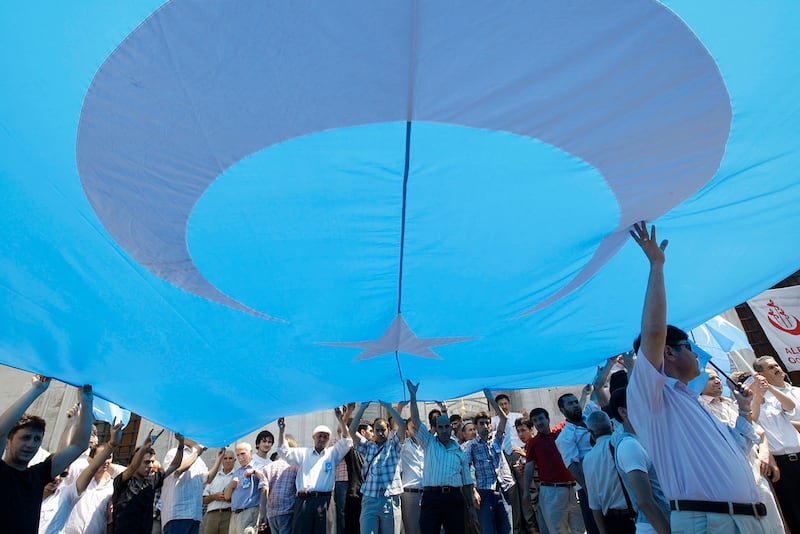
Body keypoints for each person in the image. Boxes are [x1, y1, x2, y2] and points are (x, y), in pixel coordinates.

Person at [627, 221, 768, 533]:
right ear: (668, 352)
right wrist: (656, 266)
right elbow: (653, 331)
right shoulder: (652, 397)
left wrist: (745, 410)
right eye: (689, 347)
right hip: (708, 521)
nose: (697, 356)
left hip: (747, 520)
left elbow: (740, 446)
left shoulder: (691, 399)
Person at [0, 375, 94, 533]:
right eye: (25, 438)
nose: (32, 444)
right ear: (8, 442)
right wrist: (36, 391)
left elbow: (79, 445)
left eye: (37, 439)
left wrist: (87, 403)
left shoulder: (38, 475)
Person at [407, 380, 476, 534]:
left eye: (446, 426)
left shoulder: (459, 452)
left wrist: (471, 506)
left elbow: (467, 482)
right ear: (436, 428)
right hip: (431, 497)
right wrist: (413, 397)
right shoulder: (429, 443)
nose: (444, 430)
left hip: (454, 498)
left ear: (451, 427)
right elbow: (416, 421)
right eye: (440, 427)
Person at [606, 387, 672, 534]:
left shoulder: (645, 442)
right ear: (624, 412)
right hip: (654, 527)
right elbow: (645, 502)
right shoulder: (630, 446)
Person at [277, 406, 353, 534]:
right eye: (319, 436)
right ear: (313, 437)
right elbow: (283, 451)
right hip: (304, 502)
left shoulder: (332, 454)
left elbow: (348, 442)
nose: (322, 439)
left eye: (325, 437)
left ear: (329, 440)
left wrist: (341, 420)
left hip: (324, 502)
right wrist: (281, 430)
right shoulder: (303, 453)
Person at [40, 421, 123, 534]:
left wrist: (112, 444)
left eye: (109, 457)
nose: (57, 478)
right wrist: (70, 423)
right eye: (102, 457)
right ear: (90, 460)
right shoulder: (78, 472)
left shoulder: (111, 486)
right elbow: (62, 457)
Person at [751, 355, 800, 533]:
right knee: (793, 510)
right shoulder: (759, 402)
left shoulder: (784, 395)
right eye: (771, 368)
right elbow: (753, 423)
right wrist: (759, 393)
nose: (777, 369)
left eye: (776, 365)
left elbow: (790, 404)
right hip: (782, 463)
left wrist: (770, 387)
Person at [349, 401, 406, 534]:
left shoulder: (394, 446)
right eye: (377, 430)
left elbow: (402, 426)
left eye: (383, 430)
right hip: (370, 499)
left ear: (388, 430)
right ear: (373, 432)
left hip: (390, 500)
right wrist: (363, 407)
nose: (380, 433)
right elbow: (351, 430)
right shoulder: (368, 447)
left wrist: (388, 407)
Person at [524, 407, 583, 534]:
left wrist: (585, 395)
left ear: (548, 419)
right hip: (551, 491)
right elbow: (529, 467)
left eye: (541, 419)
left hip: (573, 489)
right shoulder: (533, 443)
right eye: (535, 420)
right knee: (557, 530)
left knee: (580, 529)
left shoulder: (560, 433)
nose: (539, 423)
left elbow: (573, 415)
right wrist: (526, 491)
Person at [113, 430, 184, 534]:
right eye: (146, 462)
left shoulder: (152, 481)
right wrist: (143, 448)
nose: (150, 465)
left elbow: (175, 465)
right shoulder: (123, 480)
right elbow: (133, 466)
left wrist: (181, 445)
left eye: (152, 462)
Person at [462, 390, 513, 534]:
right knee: (488, 529)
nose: (485, 426)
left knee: (507, 528)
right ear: (476, 426)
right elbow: (467, 469)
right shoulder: (472, 445)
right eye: (481, 423)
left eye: (487, 423)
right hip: (484, 492)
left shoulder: (497, 439)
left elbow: (504, 420)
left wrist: (491, 399)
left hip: (503, 489)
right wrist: (473, 491)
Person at [554, 390, 599, 534]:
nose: (575, 405)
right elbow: (572, 466)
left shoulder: (590, 418)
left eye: (575, 402)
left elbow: (596, 392)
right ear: (562, 410)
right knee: (597, 528)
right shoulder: (565, 437)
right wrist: (588, 489)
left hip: (608, 481)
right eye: (570, 404)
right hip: (590, 488)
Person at [582, 411, 635, 534]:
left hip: (614, 521)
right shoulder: (623, 443)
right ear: (611, 426)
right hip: (638, 515)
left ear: (590, 432)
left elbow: (595, 503)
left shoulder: (588, 460)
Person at [161, 437, 209, 534]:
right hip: (178, 514)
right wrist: (197, 453)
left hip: (194, 515)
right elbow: (177, 470)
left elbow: (208, 478)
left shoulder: (199, 460)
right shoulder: (173, 452)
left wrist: (219, 458)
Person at [258, 436, 300, 534]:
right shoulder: (295, 467)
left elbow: (264, 490)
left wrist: (263, 514)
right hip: (288, 511)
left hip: (272, 513)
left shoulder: (268, 467)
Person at [225, 443, 261, 534]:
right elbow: (226, 496)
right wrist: (231, 486)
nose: (240, 457)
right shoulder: (237, 472)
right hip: (234, 514)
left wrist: (254, 471)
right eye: (238, 455)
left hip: (249, 511)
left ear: (251, 452)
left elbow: (267, 480)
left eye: (243, 453)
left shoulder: (258, 466)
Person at [399, 418, 424, 534]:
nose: (416, 430)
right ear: (407, 430)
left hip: (428, 492)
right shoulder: (404, 445)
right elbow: (396, 434)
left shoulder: (427, 445)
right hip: (410, 494)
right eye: (412, 428)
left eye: (417, 427)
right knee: (413, 529)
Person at [202, 449, 236, 534]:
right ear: (221, 460)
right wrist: (214, 497)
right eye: (225, 458)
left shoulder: (237, 476)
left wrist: (228, 497)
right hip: (212, 515)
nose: (228, 461)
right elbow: (203, 500)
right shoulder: (213, 476)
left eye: (230, 458)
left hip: (229, 514)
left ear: (235, 460)